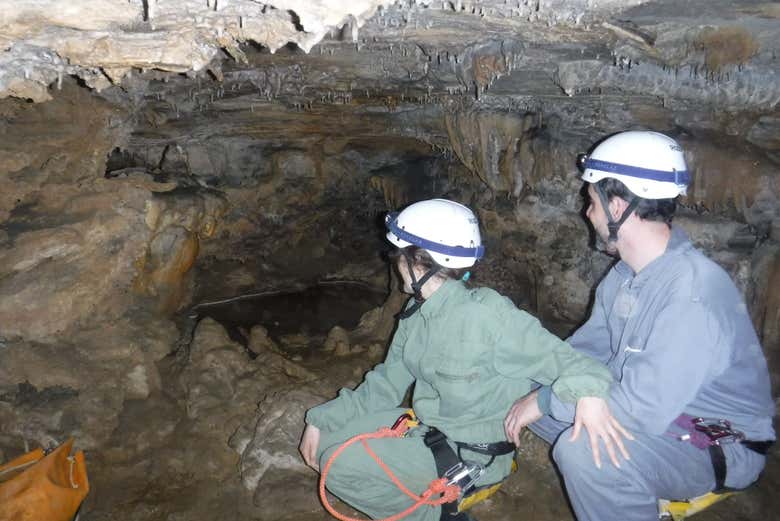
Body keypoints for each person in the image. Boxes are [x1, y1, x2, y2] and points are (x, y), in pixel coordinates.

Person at [299, 198, 630, 521]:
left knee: (337, 466)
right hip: (429, 428)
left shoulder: (490, 317)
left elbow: (579, 366)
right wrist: (322, 418)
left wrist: (586, 396)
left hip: (473, 453)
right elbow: (386, 384)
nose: (394, 263)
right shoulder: (415, 314)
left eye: (399, 255)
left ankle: (437, 515)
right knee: (325, 442)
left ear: (418, 261)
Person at [503, 130, 776, 521]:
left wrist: (547, 400)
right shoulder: (624, 275)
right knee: (514, 381)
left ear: (617, 205)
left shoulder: (693, 293)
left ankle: (630, 493)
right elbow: (583, 354)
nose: (587, 212)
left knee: (583, 453)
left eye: (591, 201)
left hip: (712, 441)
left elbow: (641, 409)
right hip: (653, 416)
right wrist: (532, 376)